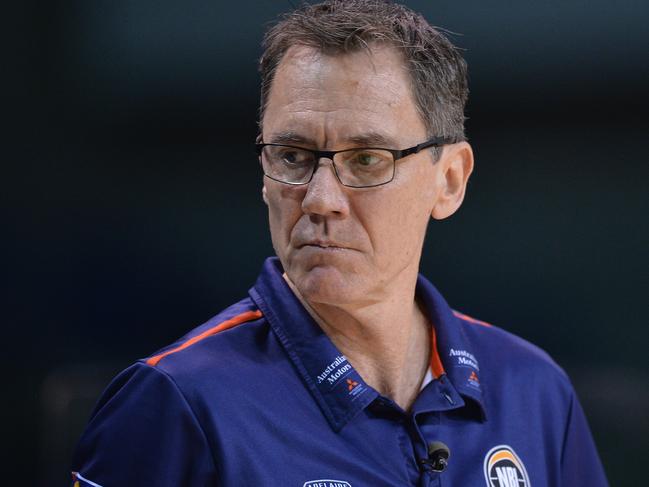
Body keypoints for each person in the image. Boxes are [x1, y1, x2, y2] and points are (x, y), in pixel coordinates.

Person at [71, 1, 609, 486]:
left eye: (367, 159)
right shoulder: (177, 403)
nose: (320, 199)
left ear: (448, 181)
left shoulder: (534, 390)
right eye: (292, 156)